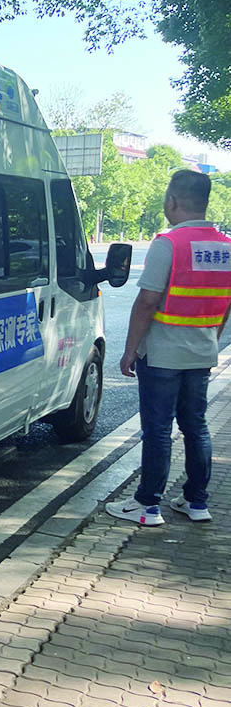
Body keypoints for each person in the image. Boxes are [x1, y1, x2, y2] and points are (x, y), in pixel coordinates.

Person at [107, 170, 231, 526]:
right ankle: (196, 502)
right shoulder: (226, 247)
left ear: (172, 201)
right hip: (202, 351)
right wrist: (211, 337)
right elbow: (225, 301)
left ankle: (147, 505)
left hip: (163, 353)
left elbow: (147, 301)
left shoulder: (168, 244)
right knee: (197, 427)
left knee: (159, 430)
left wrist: (130, 349)